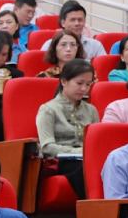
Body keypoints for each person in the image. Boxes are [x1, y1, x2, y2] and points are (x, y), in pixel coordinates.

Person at [36, 59, 99, 198]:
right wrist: (78, 152)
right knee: (85, 170)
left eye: (88, 84)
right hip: (63, 162)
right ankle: (96, 211)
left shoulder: (91, 110)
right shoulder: (48, 109)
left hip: (87, 159)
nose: (84, 89)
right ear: (64, 81)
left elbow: (96, 143)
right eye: (79, 83)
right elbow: (47, 147)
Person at [40, 0, 106, 59]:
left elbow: (102, 69)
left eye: (80, 20)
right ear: (63, 23)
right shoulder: (49, 45)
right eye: (72, 20)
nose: (77, 23)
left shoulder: (95, 45)